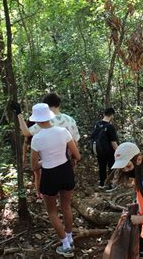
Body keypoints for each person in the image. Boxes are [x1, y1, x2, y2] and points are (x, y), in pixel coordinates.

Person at [29, 103, 81, 257]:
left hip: (49, 175)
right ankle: (70, 238)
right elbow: (77, 155)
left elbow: (33, 166)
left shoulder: (36, 139)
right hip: (65, 171)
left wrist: (44, 161)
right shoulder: (63, 131)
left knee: (52, 211)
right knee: (66, 207)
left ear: (37, 121)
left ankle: (65, 245)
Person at [91, 107, 119, 191]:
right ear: (112, 115)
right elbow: (113, 142)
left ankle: (102, 183)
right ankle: (109, 185)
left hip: (99, 150)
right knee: (111, 167)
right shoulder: (110, 127)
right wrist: (119, 152)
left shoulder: (97, 124)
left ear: (104, 114)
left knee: (102, 166)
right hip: (109, 152)